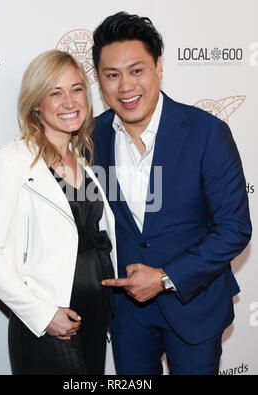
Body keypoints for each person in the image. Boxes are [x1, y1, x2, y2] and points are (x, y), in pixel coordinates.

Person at [91, 11, 252, 375]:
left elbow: (234, 229)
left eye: (137, 70)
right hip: (126, 316)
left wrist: (165, 277)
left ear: (158, 68)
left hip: (193, 306)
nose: (126, 87)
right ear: (99, 81)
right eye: (112, 75)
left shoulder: (207, 133)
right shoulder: (93, 137)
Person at [0, 49, 117, 375]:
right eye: (55, 92)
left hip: (93, 319)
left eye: (77, 89)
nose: (69, 101)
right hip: (47, 324)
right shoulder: (12, 160)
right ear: (36, 103)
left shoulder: (85, 165)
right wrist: (43, 314)